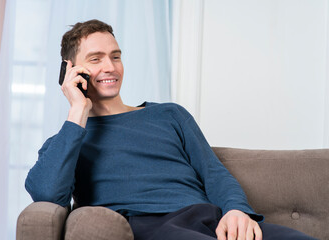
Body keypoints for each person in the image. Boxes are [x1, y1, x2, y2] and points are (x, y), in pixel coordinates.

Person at [25, 19, 316, 240]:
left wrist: (236, 210)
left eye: (115, 56)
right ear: (71, 71)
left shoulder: (169, 114)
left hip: (209, 219)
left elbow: (213, 172)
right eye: (95, 59)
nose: (110, 67)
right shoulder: (67, 139)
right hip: (148, 226)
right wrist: (78, 111)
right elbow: (48, 194)